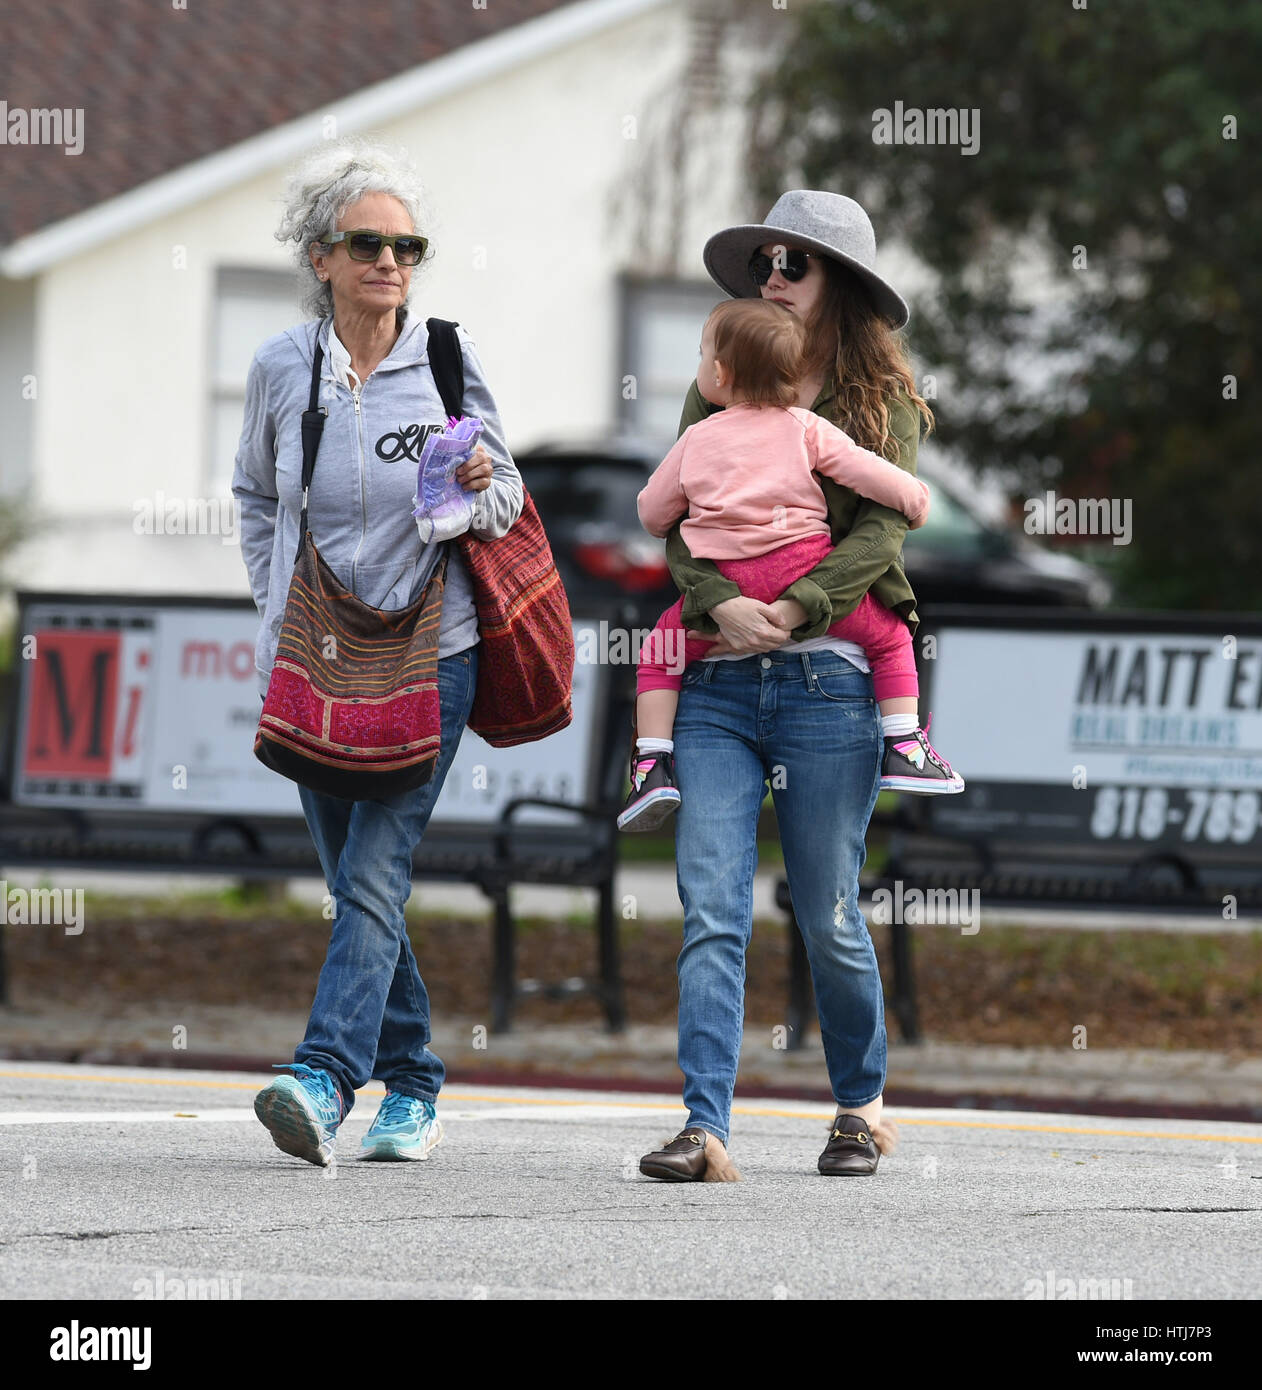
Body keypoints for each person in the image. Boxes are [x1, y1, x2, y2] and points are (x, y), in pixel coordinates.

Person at [232, 138, 523, 1167]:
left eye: (407, 245)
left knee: (374, 868)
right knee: (354, 877)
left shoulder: (442, 358)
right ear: (322, 256)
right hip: (315, 655)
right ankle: (417, 1083)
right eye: (368, 242)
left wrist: (478, 479)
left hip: (430, 649)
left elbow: (506, 498)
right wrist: (275, 610)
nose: (390, 261)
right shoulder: (282, 367)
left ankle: (321, 1075)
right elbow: (258, 498)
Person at [638, 190, 933, 1182]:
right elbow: (680, 511)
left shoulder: (876, 405)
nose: (772, 273)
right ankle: (703, 1127)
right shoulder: (719, 382)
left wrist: (801, 604)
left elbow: (883, 532)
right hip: (715, 689)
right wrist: (715, 600)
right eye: (764, 256)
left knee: (825, 912)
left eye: (793, 262)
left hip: (830, 687)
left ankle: (859, 1106)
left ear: (835, 283)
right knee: (709, 903)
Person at [619, 296, 962, 832]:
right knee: (891, 635)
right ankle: (906, 743)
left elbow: (654, 516)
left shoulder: (695, 439)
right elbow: (868, 474)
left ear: (721, 372)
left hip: (728, 586)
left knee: (660, 653)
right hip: (803, 572)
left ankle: (652, 766)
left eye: (702, 355)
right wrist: (917, 499)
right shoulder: (807, 428)